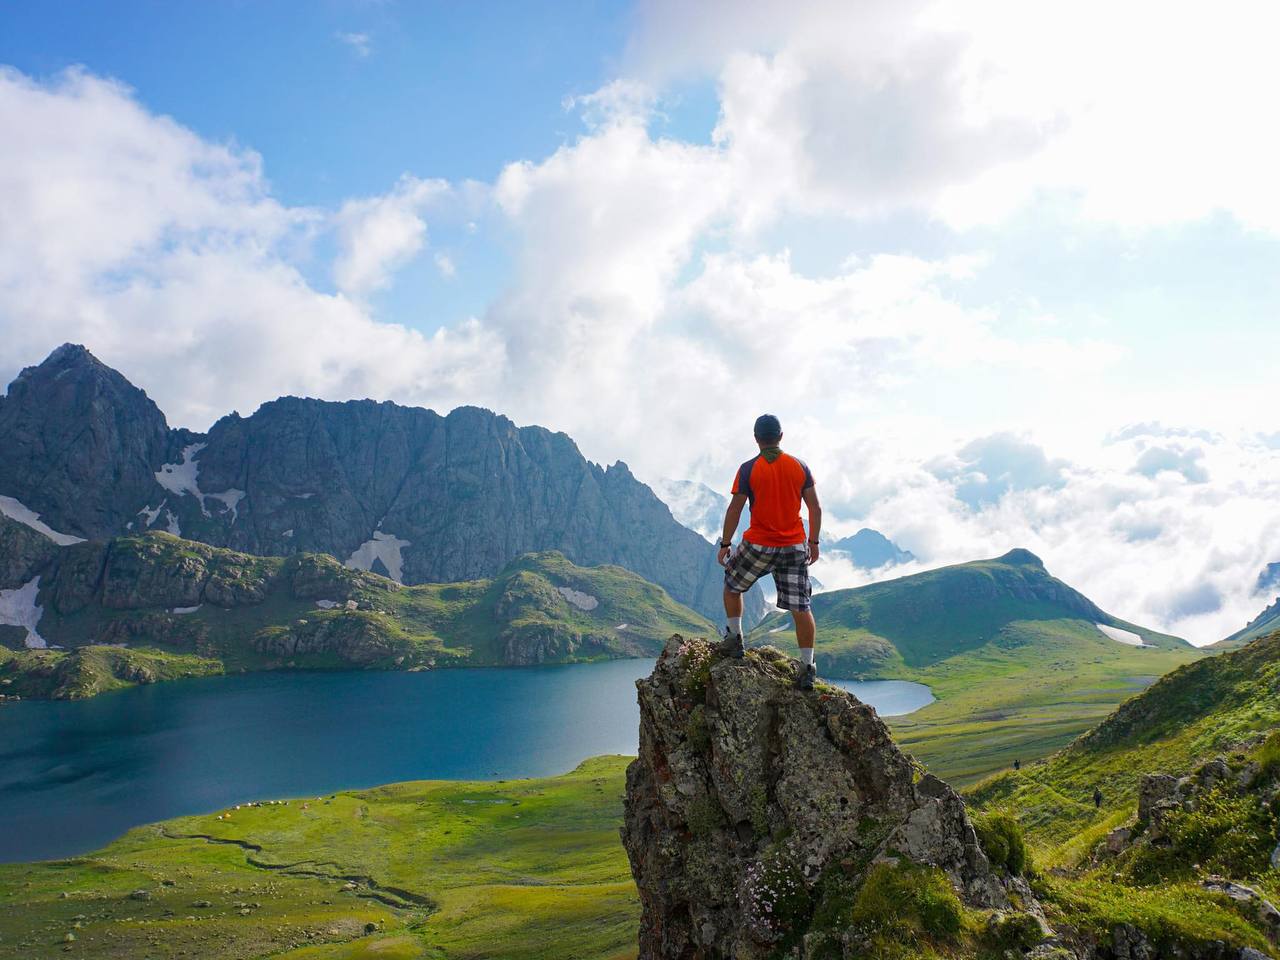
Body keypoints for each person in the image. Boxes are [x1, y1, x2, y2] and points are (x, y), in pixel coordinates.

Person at [716, 414, 822, 690]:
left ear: (756, 439)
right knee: (801, 607)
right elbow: (815, 507)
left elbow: (735, 508)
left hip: (759, 544)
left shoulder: (748, 469)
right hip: (794, 546)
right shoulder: (800, 467)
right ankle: (807, 668)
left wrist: (725, 544)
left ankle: (735, 640)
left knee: (732, 585)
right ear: (781, 436)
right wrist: (813, 542)